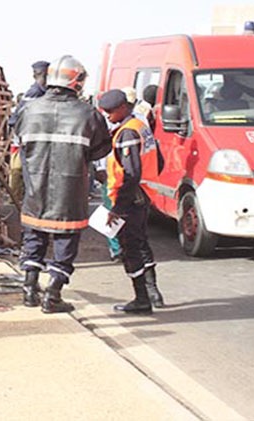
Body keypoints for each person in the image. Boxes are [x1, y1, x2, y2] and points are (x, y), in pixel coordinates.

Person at [14, 55, 112, 313]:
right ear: (77, 81)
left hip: (34, 188)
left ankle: (29, 289)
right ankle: (52, 295)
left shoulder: (28, 108)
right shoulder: (88, 113)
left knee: (33, 238)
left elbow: (18, 139)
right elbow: (101, 149)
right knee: (64, 243)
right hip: (70, 191)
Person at [99, 88, 165, 313]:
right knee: (141, 242)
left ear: (122, 108)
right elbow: (159, 159)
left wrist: (118, 207)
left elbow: (130, 174)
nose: (107, 116)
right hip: (143, 195)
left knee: (130, 248)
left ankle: (142, 298)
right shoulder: (140, 126)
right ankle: (152, 292)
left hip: (130, 199)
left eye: (110, 112)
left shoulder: (127, 133)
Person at [7, 60, 49, 206]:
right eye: (41, 75)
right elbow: (18, 118)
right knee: (23, 171)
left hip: (32, 140)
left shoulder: (45, 91)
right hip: (28, 141)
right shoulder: (35, 93)